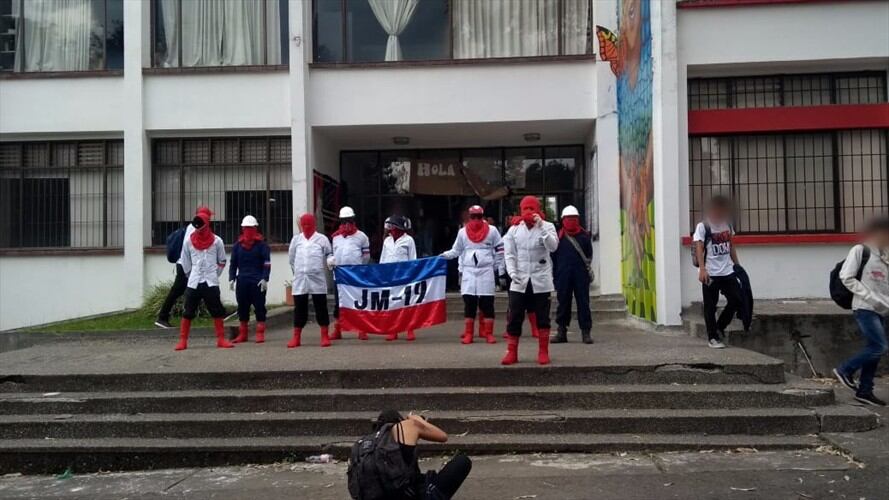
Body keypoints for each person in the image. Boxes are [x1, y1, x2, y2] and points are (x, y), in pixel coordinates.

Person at [833, 217, 889, 407]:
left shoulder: (885, 255)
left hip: (882, 309)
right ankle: (845, 370)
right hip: (864, 307)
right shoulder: (861, 250)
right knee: (879, 347)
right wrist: (870, 297)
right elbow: (846, 277)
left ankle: (865, 390)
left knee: (874, 349)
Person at [358, 410, 471, 500]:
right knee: (462, 462)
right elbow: (443, 436)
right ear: (399, 421)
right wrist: (417, 420)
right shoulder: (404, 427)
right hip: (412, 495)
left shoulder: (362, 446)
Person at [501, 196, 559, 365]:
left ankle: (543, 351)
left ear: (538, 209)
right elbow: (509, 254)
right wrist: (511, 272)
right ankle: (512, 352)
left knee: (543, 317)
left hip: (541, 279)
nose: (528, 212)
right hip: (519, 279)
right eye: (525, 208)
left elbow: (553, 247)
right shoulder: (514, 229)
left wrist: (542, 228)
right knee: (514, 315)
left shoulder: (548, 226)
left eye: (532, 208)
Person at [440, 205, 504, 344]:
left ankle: (488, 333)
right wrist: (443, 256)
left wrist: (495, 265)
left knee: (487, 303)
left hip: (486, 270)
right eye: (473, 216)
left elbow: (500, 248)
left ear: (483, 216)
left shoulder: (492, 231)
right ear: (469, 217)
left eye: (479, 216)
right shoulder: (462, 232)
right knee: (469, 303)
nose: (476, 219)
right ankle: (469, 333)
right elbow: (456, 250)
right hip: (469, 271)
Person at [174, 210, 231, 351]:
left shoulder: (217, 241)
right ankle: (183, 340)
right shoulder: (188, 242)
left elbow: (222, 260)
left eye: (201, 225)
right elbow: (185, 262)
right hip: (194, 282)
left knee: (217, 310)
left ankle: (221, 339)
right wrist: (191, 275)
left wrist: (214, 274)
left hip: (211, 282)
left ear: (207, 224)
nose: (199, 229)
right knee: (188, 311)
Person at [694, 195, 743, 349]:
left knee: (737, 299)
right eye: (717, 210)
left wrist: (737, 266)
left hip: (727, 271)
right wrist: (702, 269)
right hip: (711, 274)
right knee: (710, 306)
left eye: (722, 211)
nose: (719, 214)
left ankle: (720, 327)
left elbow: (731, 246)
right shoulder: (703, 226)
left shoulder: (727, 224)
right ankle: (713, 338)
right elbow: (699, 248)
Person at [156, 206, 213, 329]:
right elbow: (190, 250)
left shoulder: (192, 228)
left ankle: (217, 312)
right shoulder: (194, 230)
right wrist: (190, 269)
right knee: (177, 291)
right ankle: (162, 317)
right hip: (185, 265)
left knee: (203, 288)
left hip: (186, 265)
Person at [287, 213, 333, 349]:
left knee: (321, 307)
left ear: (314, 225)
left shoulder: (322, 239)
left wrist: (330, 260)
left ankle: (324, 335)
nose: (307, 227)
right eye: (304, 224)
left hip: (317, 278)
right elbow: (291, 258)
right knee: (299, 308)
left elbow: (329, 253)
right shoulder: (296, 240)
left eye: (309, 224)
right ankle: (296, 337)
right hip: (300, 278)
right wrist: (298, 271)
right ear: (301, 225)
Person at [328, 206, 371, 341]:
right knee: (338, 303)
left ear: (353, 220)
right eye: (344, 220)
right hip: (339, 276)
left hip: (356, 275)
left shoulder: (362, 237)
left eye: (349, 220)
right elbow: (332, 254)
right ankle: (338, 329)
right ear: (340, 221)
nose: (346, 223)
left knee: (359, 302)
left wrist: (358, 269)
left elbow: (366, 257)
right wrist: (330, 261)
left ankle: (362, 329)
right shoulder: (335, 238)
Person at [552, 205, 594, 344]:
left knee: (583, 303)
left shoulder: (583, 236)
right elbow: (553, 257)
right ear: (563, 220)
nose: (571, 221)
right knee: (563, 303)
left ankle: (585, 332)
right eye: (569, 219)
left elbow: (588, 256)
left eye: (573, 218)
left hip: (580, 275)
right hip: (563, 275)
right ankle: (562, 332)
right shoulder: (558, 237)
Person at [228, 215, 271, 344]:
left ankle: (260, 333)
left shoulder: (262, 246)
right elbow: (233, 263)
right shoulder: (237, 246)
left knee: (259, 307)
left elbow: (267, 263)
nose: (248, 231)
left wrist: (265, 278)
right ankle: (243, 334)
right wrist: (231, 278)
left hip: (257, 281)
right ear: (242, 229)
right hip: (242, 281)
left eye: (251, 228)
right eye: (246, 228)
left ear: (256, 228)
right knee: (242, 307)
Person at [380, 215, 418, 341]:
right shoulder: (387, 241)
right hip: (390, 276)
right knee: (392, 304)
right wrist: (381, 274)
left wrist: (411, 275)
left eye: (394, 225)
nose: (392, 228)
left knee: (406, 303)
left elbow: (413, 259)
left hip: (404, 276)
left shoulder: (409, 240)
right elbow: (383, 258)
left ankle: (410, 329)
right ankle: (393, 329)